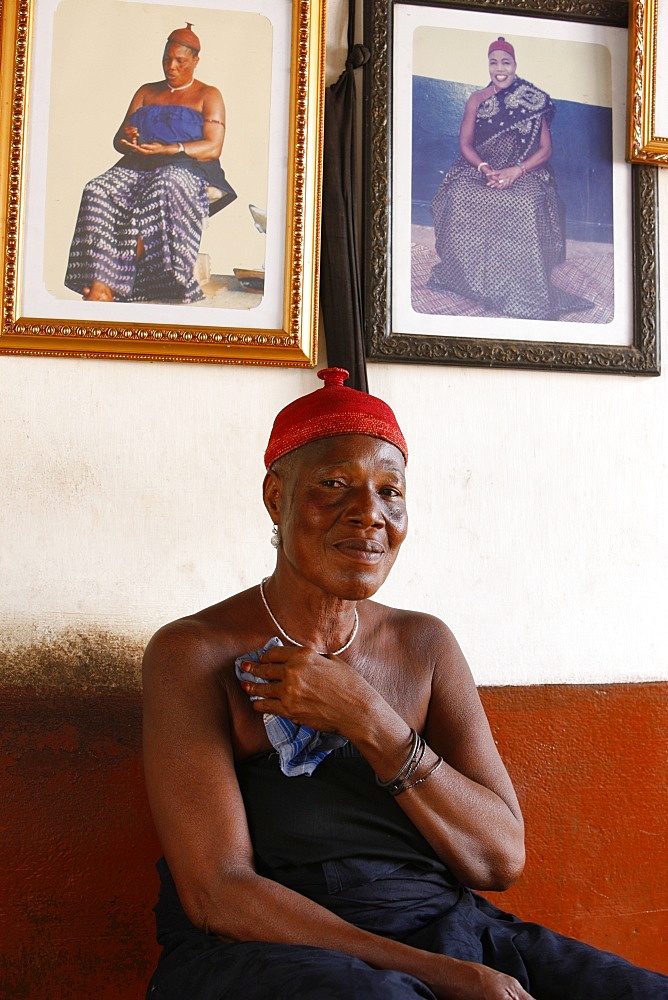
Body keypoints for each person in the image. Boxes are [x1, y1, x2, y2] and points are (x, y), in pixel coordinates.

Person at [142, 367, 668, 999]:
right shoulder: (193, 653)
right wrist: (441, 976)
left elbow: (498, 859)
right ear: (275, 495)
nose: (369, 514)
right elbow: (218, 894)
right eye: (333, 485)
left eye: (390, 491)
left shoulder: (424, 645)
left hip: (448, 926)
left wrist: (371, 720)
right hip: (274, 950)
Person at [64, 23, 235, 304]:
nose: (171, 66)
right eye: (167, 58)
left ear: (195, 61)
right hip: (138, 164)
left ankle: (110, 284)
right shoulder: (146, 91)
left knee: (164, 185)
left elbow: (213, 147)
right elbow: (119, 138)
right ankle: (99, 280)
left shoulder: (209, 94)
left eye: (180, 60)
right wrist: (128, 140)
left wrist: (170, 149)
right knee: (97, 190)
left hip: (187, 166)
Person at [428, 38, 586, 321]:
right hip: (481, 169)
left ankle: (518, 289)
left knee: (523, 204)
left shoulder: (534, 100)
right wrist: (484, 168)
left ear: (515, 66)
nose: (499, 69)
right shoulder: (476, 99)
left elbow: (545, 150)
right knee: (460, 194)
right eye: (493, 62)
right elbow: (465, 144)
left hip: (525, 170)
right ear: (488, 65)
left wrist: (516, 171)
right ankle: (470, 281)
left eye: (506, 62)